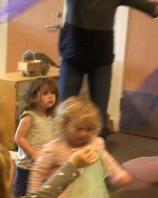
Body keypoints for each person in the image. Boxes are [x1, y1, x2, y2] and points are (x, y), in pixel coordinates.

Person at [58, 0, 158, 138]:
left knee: (99, 117)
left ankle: (98, 156)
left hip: (101, 60)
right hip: (72, 56)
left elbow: (152, 8)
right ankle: (61, 157)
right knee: (65, 114)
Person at [14, 78, 58, 197]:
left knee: (37, 196)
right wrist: (34, 154)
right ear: (33, 96)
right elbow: (19, 138)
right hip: (27, 166)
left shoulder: (50, 116)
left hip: (43, 165)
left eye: (52, 93)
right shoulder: (29, 116)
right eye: (45, 93)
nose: (50, 96)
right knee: (22, 197)